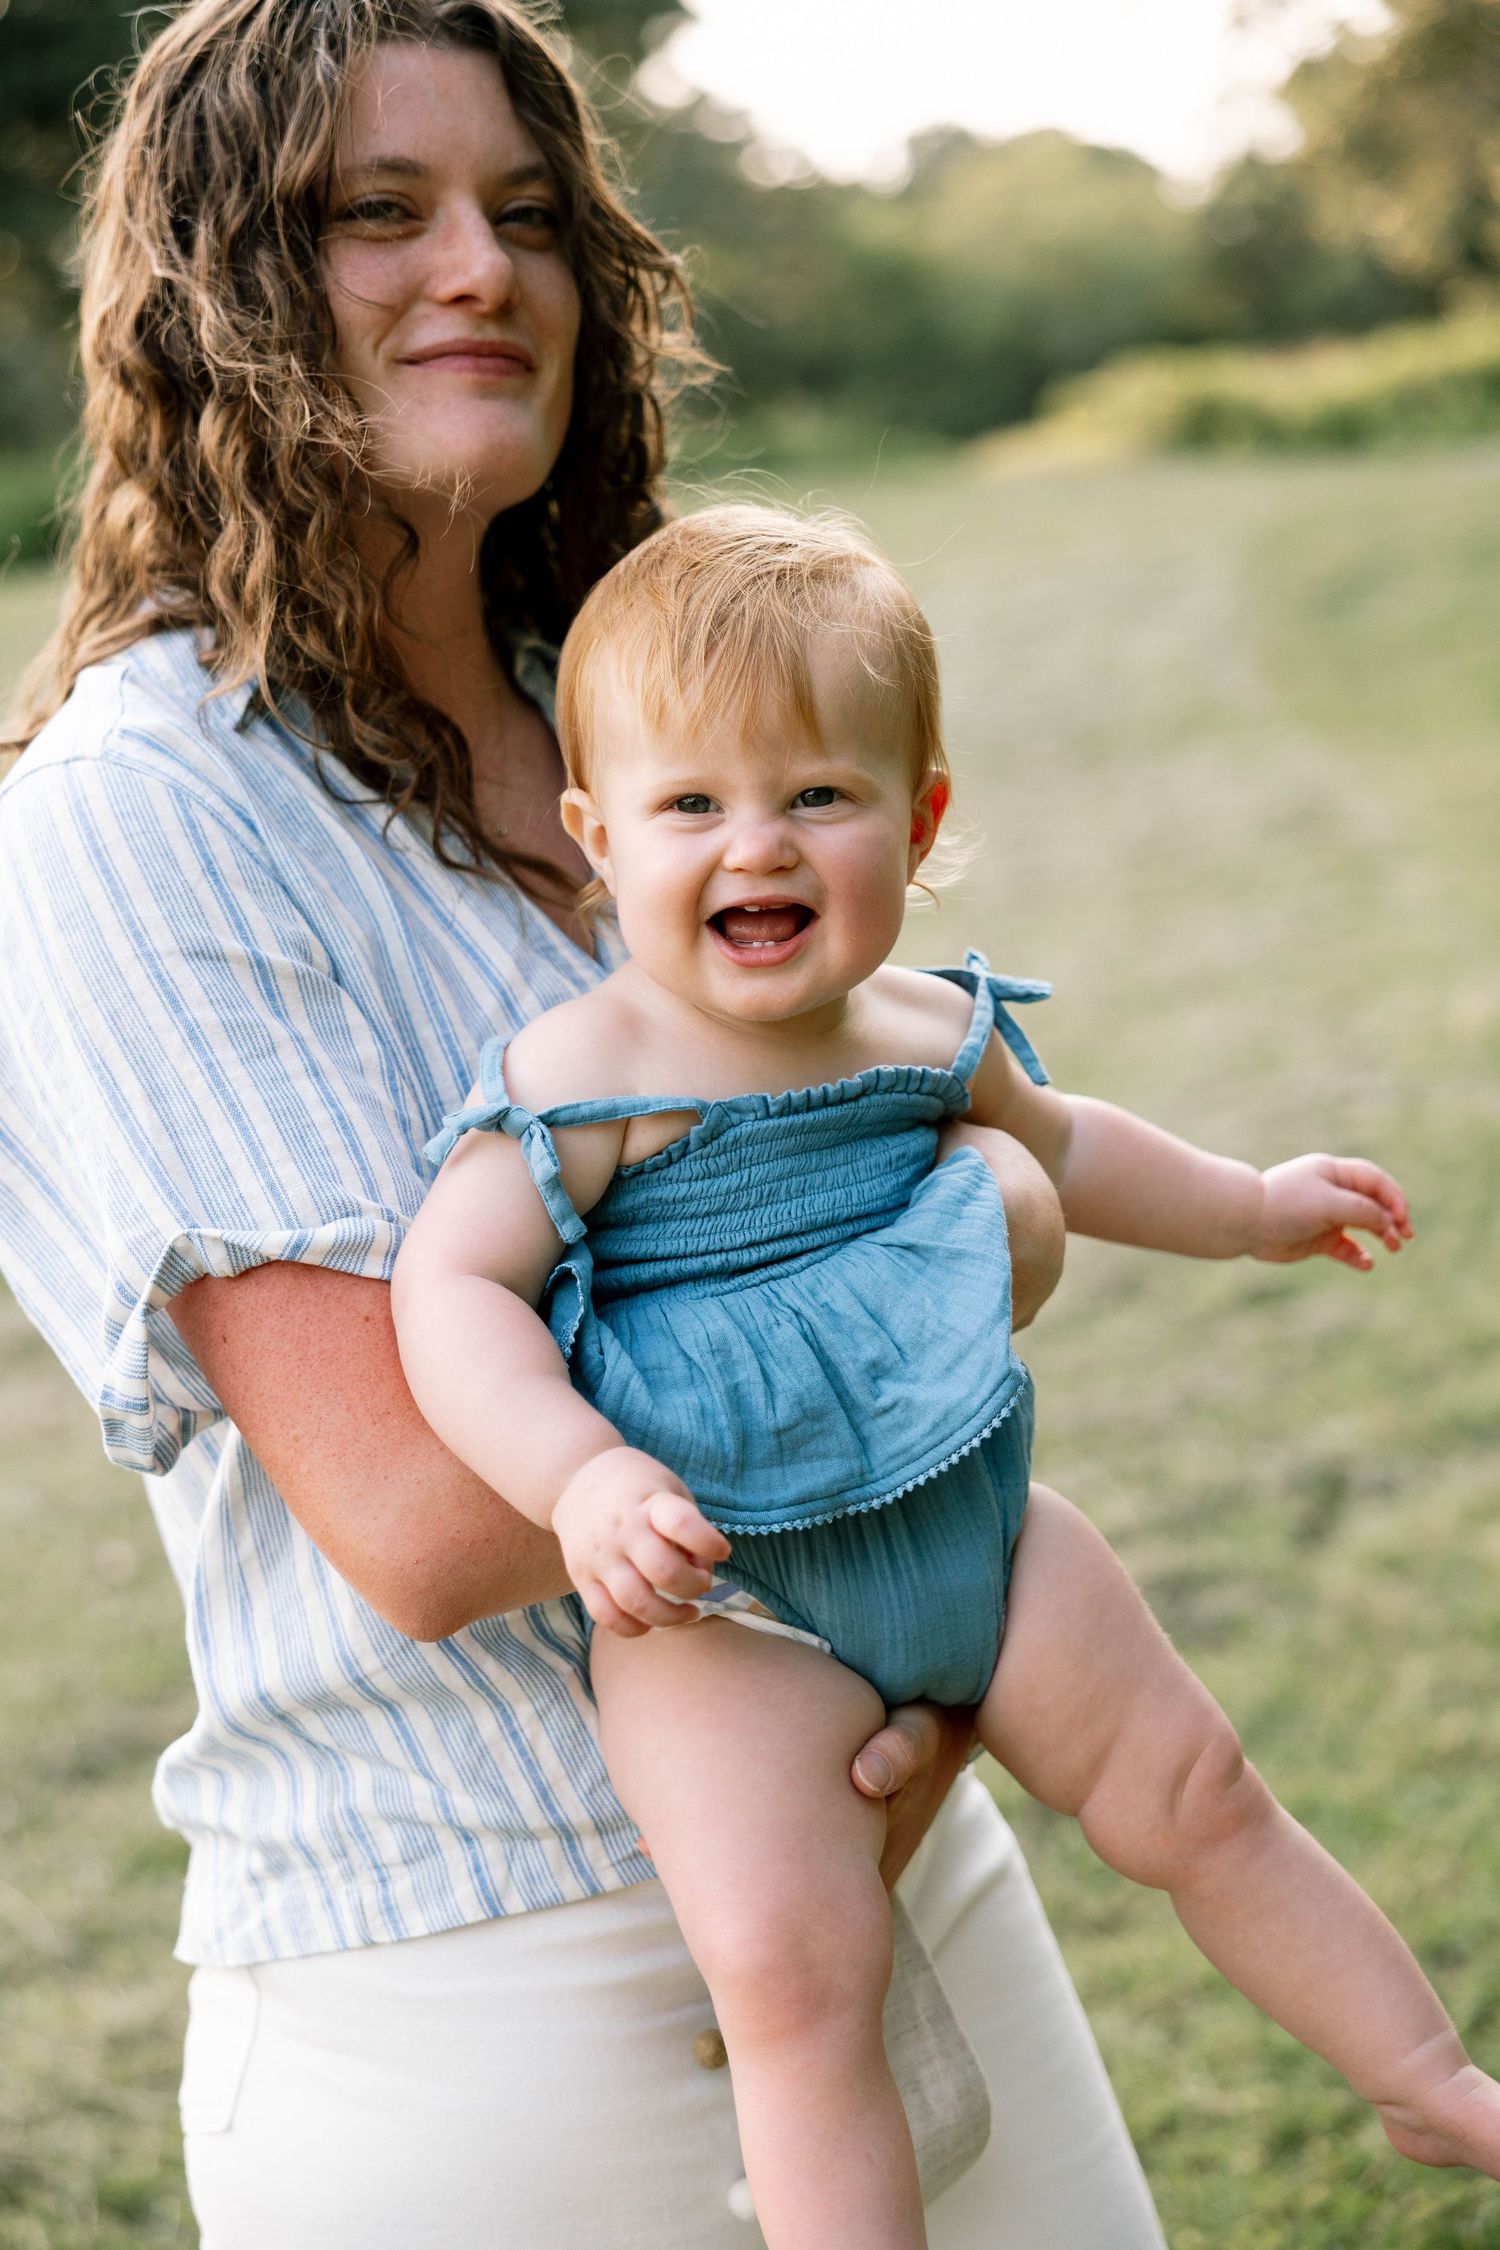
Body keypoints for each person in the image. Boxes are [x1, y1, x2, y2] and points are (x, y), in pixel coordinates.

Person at [0, 3, 1170, 2242]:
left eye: (531, 214)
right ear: (215, 289)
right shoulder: (140, 810)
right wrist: (980, 1235)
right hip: (507, 1979)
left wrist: (942, 1591)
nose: (485, 268)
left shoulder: (624, 714)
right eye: (380, 211)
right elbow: (422, 1510)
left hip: (888, 1824)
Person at [394, 501, 1500, 2249]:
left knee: (1199, 1790)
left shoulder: (926, 1028)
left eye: (817, 794)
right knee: (795, 1976)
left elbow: (1076, 1147)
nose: (758, 843)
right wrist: (577, 1474)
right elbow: (452, 1288)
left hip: (979, 1535)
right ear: (599, 836)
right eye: (693, 805)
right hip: (731, 1609)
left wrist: (1253, 1207)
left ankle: (1427, 2076)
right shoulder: (581, 1077)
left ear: (916, 821)